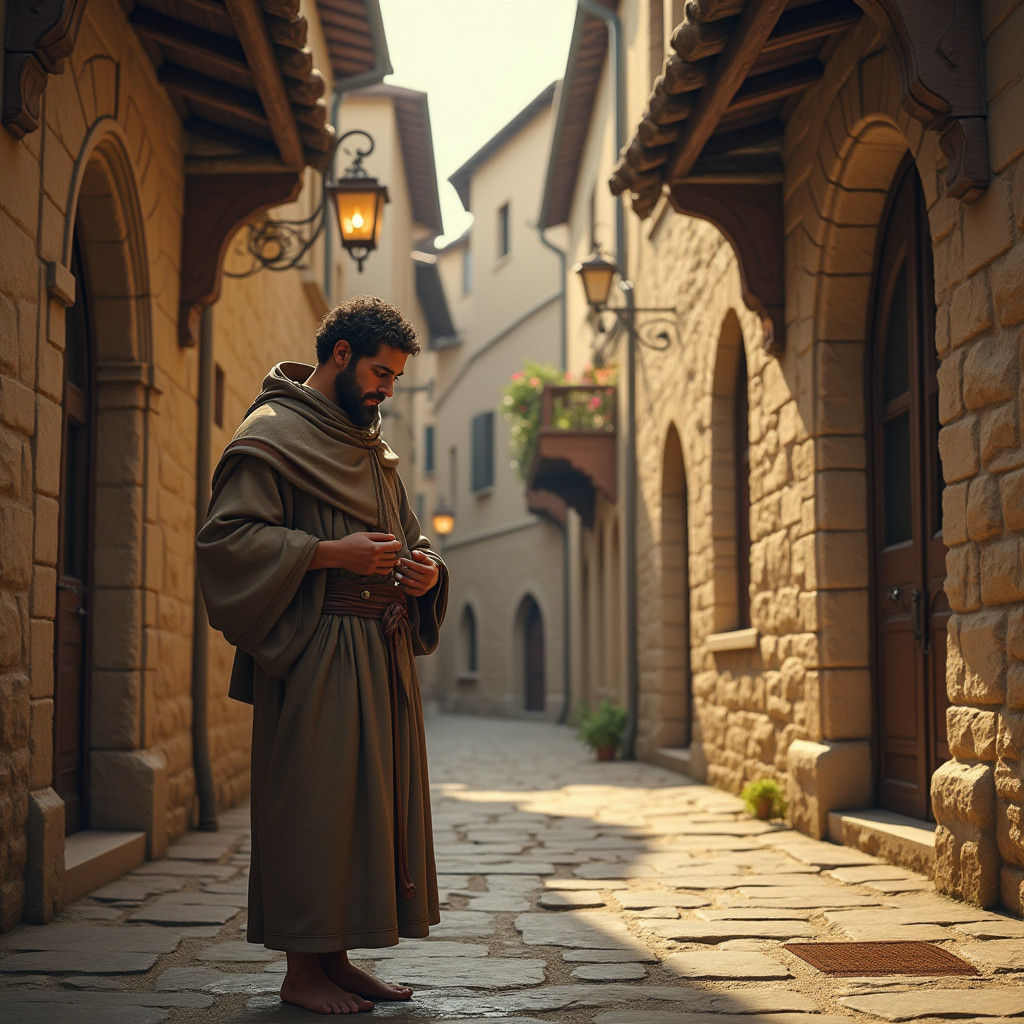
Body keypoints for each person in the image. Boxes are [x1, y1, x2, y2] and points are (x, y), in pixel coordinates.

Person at [196, 296, 448, 1015]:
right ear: (340, 355)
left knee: (359, 813)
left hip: (381, 653)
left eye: (395, 378)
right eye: (379, 372)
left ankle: (335, 958)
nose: (386, 390)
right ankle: (299, 972)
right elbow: (227, 542)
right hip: (316, 649)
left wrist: (427, 571)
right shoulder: (271, 434)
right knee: (313, 806)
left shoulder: (369, 446)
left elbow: (410, 535)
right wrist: (329, 553)